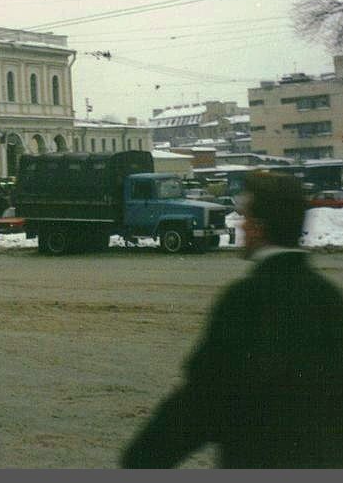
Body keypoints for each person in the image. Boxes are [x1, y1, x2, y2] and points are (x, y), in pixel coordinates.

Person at [120, 172, 343, 468]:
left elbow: (203, 400)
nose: (241, 225)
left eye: (246, 218)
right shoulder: (329, 297)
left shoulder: (245, 299)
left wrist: (141, 459)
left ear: (259, 229)